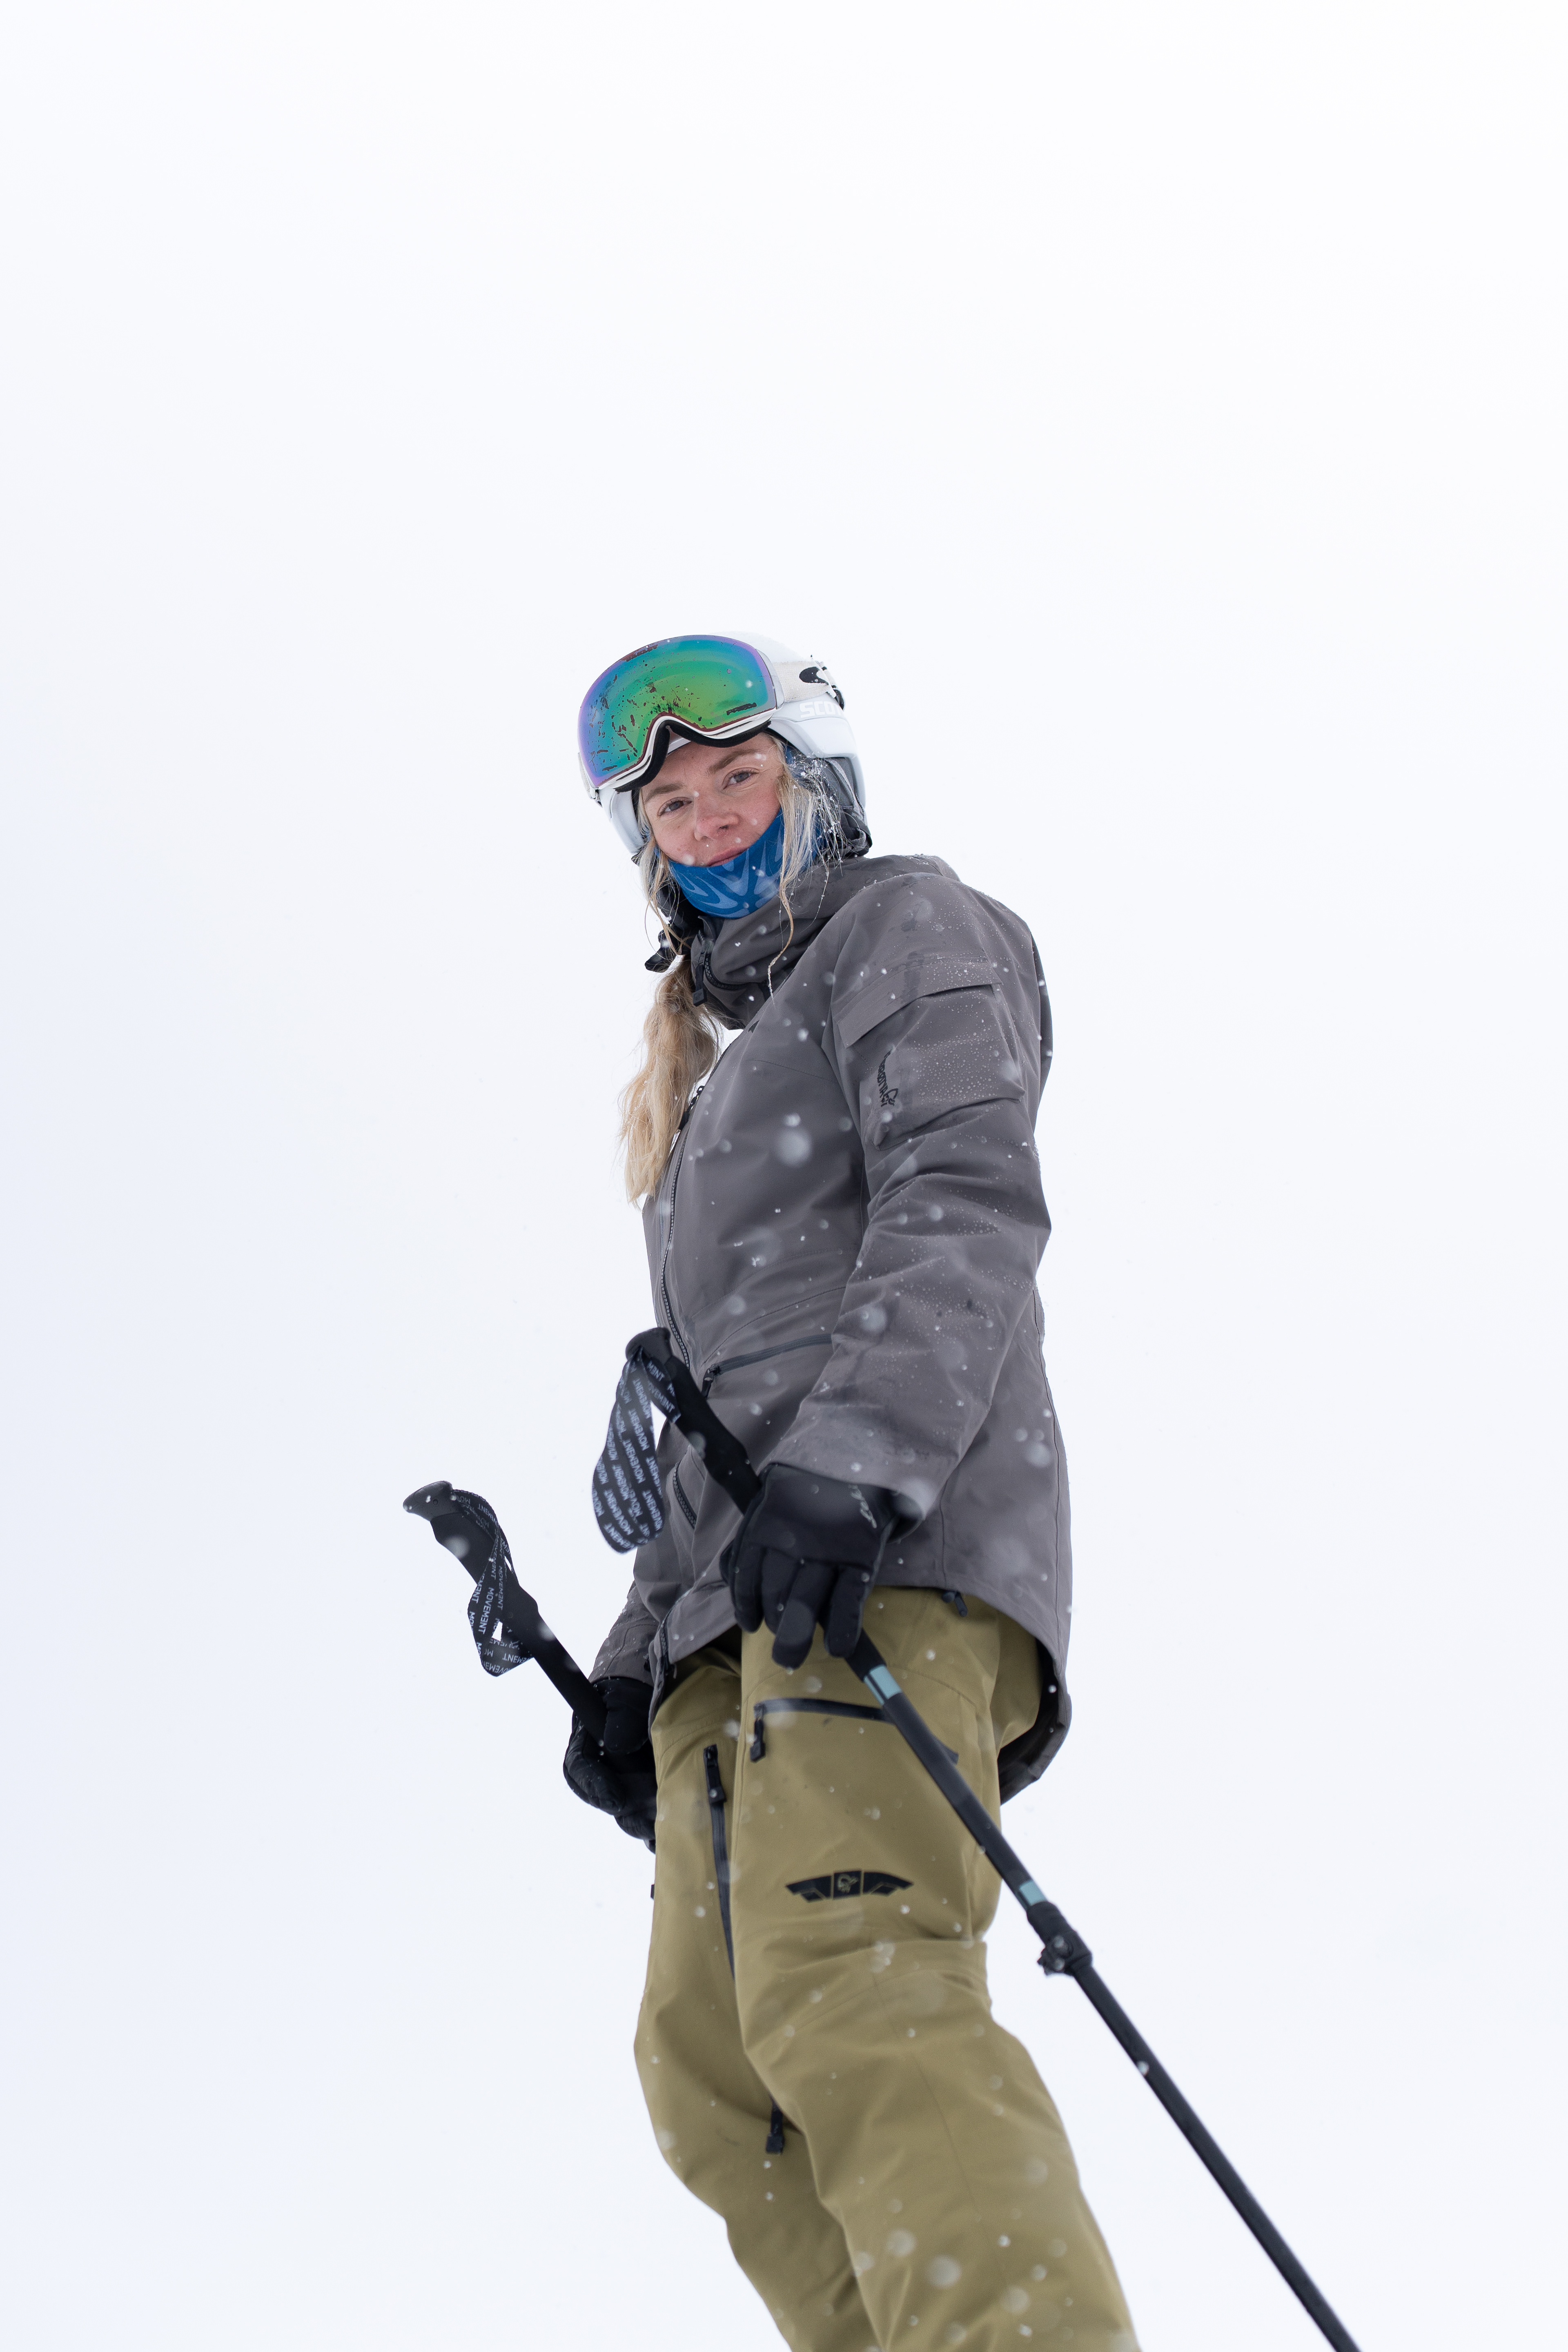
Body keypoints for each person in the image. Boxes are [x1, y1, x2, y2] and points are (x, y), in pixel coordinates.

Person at [564, 634, 1140, 2352]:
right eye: (674, 805)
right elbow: (726, 1402)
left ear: (814, 780)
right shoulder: (706, 1088)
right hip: (736, 1610)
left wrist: (861, 1467)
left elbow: (964, 1190)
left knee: (854, 1986)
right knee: (716, 2074)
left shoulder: (909, 932)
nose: (710, 819)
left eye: (738, 777)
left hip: (885, 1556)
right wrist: (630, 1661)